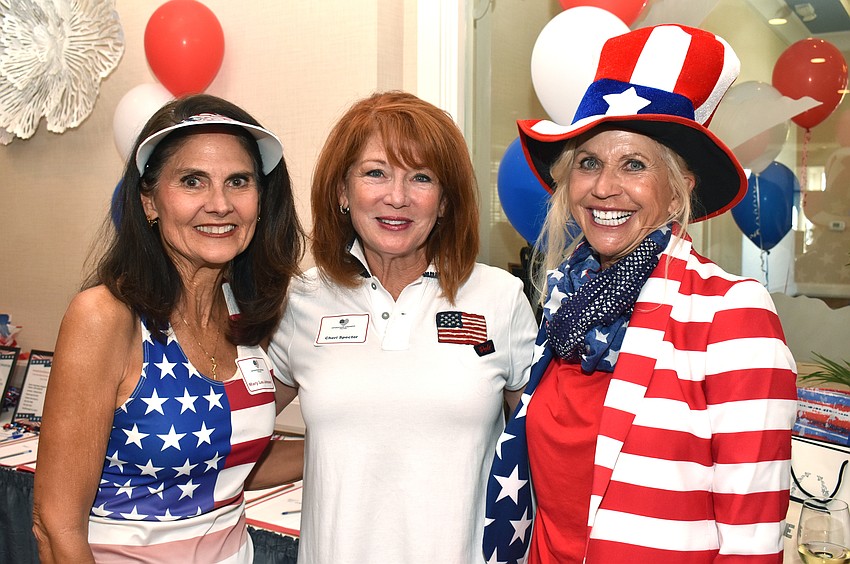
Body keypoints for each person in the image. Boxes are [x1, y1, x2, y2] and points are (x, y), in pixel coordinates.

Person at [484, 24, 798, 564]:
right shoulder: (565, 305)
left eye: (634, 164)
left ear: (680, 187)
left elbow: (751, 541)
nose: (605, 187)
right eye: (588, 162)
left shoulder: (731, 313)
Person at [32, 94, 306, 563]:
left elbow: (224, 467)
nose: (219, 204)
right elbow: (55, 526)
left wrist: (356, 442)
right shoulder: (106, 317)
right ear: (149, 201)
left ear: (261, 202)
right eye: (192, 181)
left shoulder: (252, 313)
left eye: (238, 181)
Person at [268, 90, 537, 563]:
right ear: (341, 192)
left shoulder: (500, 298)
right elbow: (228, 438)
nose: (397, 197)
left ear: (446, 201)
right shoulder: (301, 299)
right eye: (376, 173)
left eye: (421, 177)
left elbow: (541, 452)